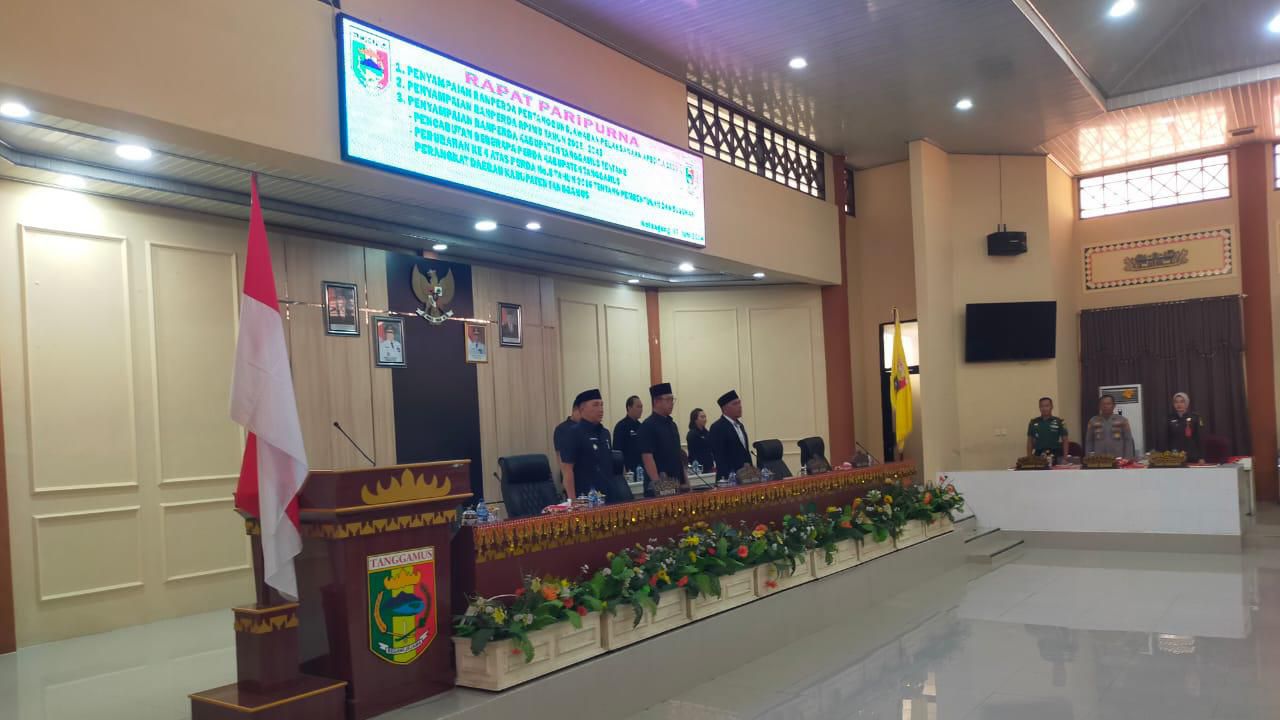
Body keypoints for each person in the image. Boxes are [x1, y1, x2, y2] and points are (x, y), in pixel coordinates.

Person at [560, 389, 614, 500]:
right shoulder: (573, 433)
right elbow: (567, 470)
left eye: (602, 405)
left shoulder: (605, 433)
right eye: (595, 405)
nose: (600, 409)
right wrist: (573, 501)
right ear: (582, 409)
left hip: (608, 496)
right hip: (586, 497)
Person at [639, 382, 686, 495]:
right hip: (659, 485)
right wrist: (659, 486)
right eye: (668, 399)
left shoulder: (672, 425)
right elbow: (647, 458)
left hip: (676, 482)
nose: (671, 403)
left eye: (672, 399)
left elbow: (678, 455)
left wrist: (685, 481)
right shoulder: (648, 425)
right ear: (656, 401)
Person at [710, 390, 752, 480]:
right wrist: (730, 477)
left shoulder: (740, 426)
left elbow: (745, 452)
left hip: (746, 477)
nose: (740, 406)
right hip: (729, 478)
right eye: (735, 404)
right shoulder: (717, 427)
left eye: (739, 403)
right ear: (725, 408)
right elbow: (719, 456)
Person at [1084, 394, 1136, 459]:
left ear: (1114, 406)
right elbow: (1089, 441)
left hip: (1118, 458)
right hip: (1099, 459)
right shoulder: (1093, 421)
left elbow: (1128, 440)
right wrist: (1089, 458)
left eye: (1108, 404)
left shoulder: (1123, 420)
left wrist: (1128, 458)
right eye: (1103, 404)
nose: (1105, 406)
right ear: (1099, 406)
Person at [1164, 391, 1206, 462]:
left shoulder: (1195, 417)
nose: (1179, 404)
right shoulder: (1169, 418)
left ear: (1187, 403)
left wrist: (1201, 457)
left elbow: (1200, 438)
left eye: (1182, 402)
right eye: (1176, 402)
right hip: (1174, 456)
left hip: (1192, 456)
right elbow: (1167, 438)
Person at [1026, 396, 1068, 463]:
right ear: (1039, 408)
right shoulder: (1033, 422)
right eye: (1042, 406)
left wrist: (1065, 458)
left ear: (1051, 407)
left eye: (1047, 406)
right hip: (1039, 455)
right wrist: (1029, 458)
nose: (1044, 408)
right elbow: (1029, 441)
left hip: (1056, 454)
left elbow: (1065, 440)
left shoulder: (1060, 421)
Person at [612, 396, 644, 473]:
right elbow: (617, 450)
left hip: (641, 469)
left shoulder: (641, 426)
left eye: (641, 407)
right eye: (638, 407)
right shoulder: (621, 426)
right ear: (629, 408)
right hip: (627, 470)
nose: (641, 410)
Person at [686, 408, 715, 473]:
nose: (705, 419)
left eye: (705, 417)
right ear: (695, 419)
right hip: (698, 468)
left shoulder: (707, 433)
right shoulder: (692, 434)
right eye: (702, 417)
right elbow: (693, 454)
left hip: (709, 466)